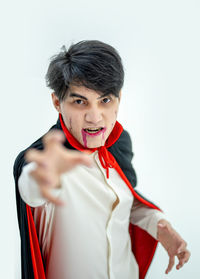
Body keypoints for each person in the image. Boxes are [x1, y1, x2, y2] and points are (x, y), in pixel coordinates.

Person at [14, 40, 190, 279]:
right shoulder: (48, 160)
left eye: (105, 100)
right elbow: (32, 188)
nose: (95, 117)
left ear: (119, 98)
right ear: (57, 102)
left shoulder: (119, 144)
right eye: (80, 101)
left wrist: (158, 224)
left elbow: (124, 201)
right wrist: (41, 176)